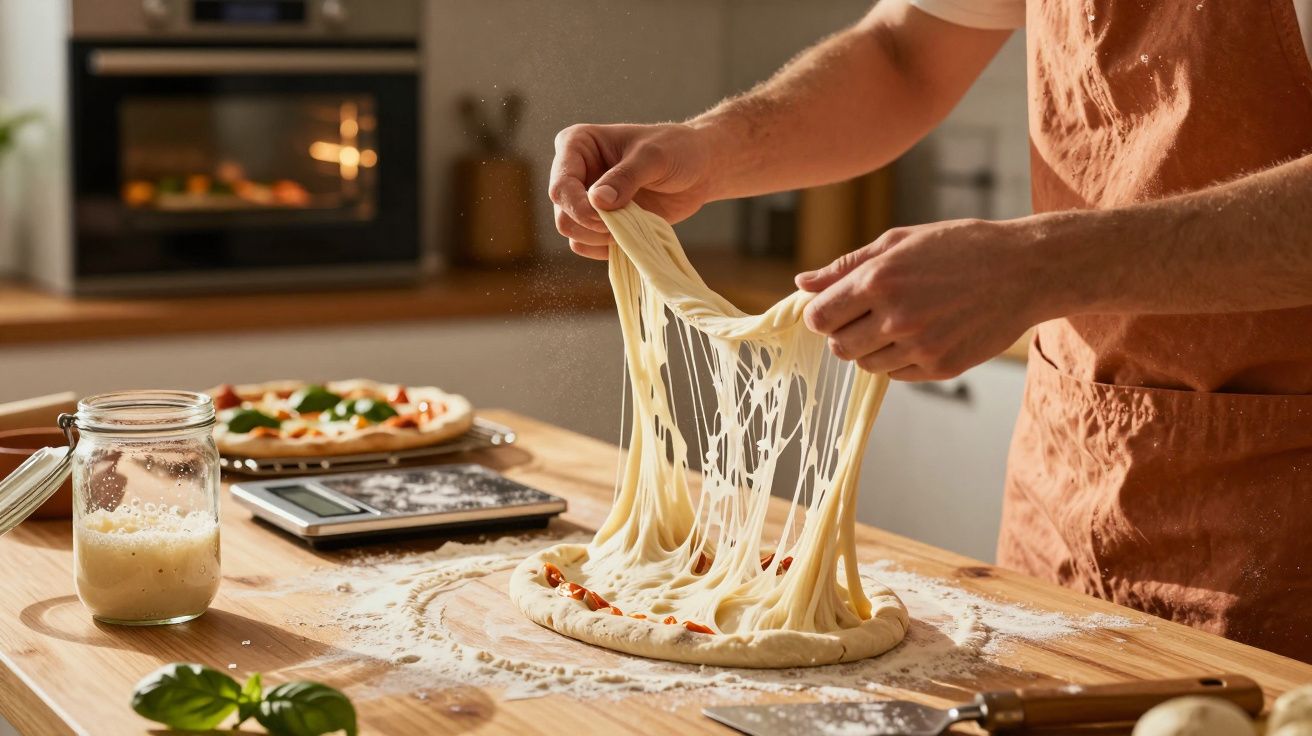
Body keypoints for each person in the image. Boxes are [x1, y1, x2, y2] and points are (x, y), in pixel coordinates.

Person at [548, 0, 1312, 661]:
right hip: (1077, 467)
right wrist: (710, 152)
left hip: (1288, 517)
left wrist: (1037, 268)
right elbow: (905, 54)